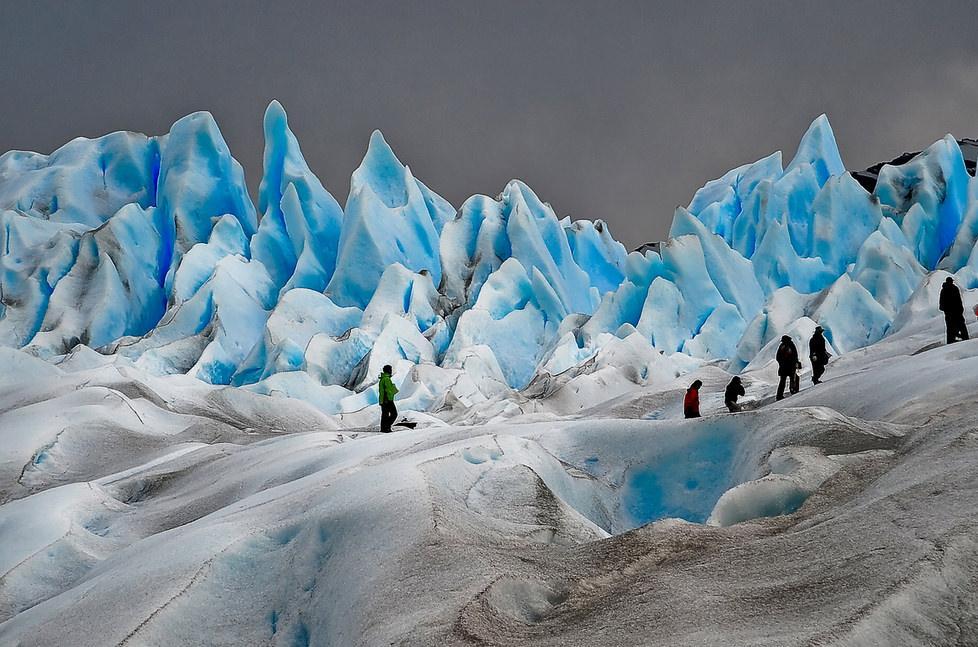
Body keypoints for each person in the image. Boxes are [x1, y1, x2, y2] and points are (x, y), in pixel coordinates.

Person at [939, 277, 969, 344]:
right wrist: (961, 309)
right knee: (961, 324)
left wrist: (945, 310)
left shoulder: (943, 290)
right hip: (956, 311)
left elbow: (941, 302)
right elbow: (958, 300)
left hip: (949, 312)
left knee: (950, 326)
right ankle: (965, 337)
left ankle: (950, 340)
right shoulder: (954, 289)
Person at [775, 335, 800, 400]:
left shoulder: (781, 346)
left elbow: (777, 357)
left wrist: (781, 363)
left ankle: (779, 395)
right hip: (791, 366)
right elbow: (795, 355)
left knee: (782, 381)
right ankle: (793, 390)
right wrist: (796, 363)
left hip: (783, 367)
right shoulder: (791, 345)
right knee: (794, 378)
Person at [378, 365, 399, 433]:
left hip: (383, 400)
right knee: (394, 414)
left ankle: (383, 428)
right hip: (387, 400)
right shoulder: (387, 379)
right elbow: (389, 391)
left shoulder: (382, 379)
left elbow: (382, 391)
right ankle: (387, 427)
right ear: (388, 370)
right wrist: (394, 389)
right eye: (390, 369)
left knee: (385, 414)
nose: (391, 371)